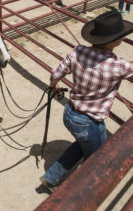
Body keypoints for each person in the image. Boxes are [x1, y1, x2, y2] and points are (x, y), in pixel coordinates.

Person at [39, 10, 133, 192]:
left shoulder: (78, 51)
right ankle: (83, 193)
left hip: (70, 112)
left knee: (83, 145)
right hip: (90, 122)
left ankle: (50, 177)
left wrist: (54, 85)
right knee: (97, 160)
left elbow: (55, 73)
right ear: (116, 41)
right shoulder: (118, 66)